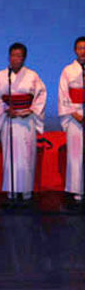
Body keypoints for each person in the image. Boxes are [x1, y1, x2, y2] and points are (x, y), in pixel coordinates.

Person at [0, 42, 47, 206]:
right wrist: (6, 109)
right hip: (9, 120)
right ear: (9, 57)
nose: (16, 59)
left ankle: (26, 192)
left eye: (19, 56)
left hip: (26, 120)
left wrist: (30, 110)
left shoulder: (32, 76)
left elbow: (41, 95)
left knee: (26, 156)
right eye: (13, 55)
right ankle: (12, 192)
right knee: (10, 157)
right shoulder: (1, 76)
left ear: (24, 58)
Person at [58, 36, 85, 207]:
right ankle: (77, 190)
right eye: (80, 48)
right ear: (75, 50)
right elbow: (63, 94)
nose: (83, 51)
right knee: (76, 153)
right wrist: (74, 113)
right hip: (74, 113)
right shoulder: (68, 70)